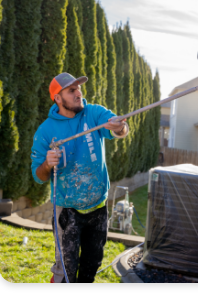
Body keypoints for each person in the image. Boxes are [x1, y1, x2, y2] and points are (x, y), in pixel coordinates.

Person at [31, 72, 129, 283]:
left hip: (98, 206)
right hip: (67, 210)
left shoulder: (93, 113)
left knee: (90, 268)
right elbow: (38, 176)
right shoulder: (45, 132)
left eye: (79, 88)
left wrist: (120, 127)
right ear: (58, 98)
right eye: (71, 90)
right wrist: (48, 163)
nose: (78, 93)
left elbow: (120, 128)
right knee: (65, 272)